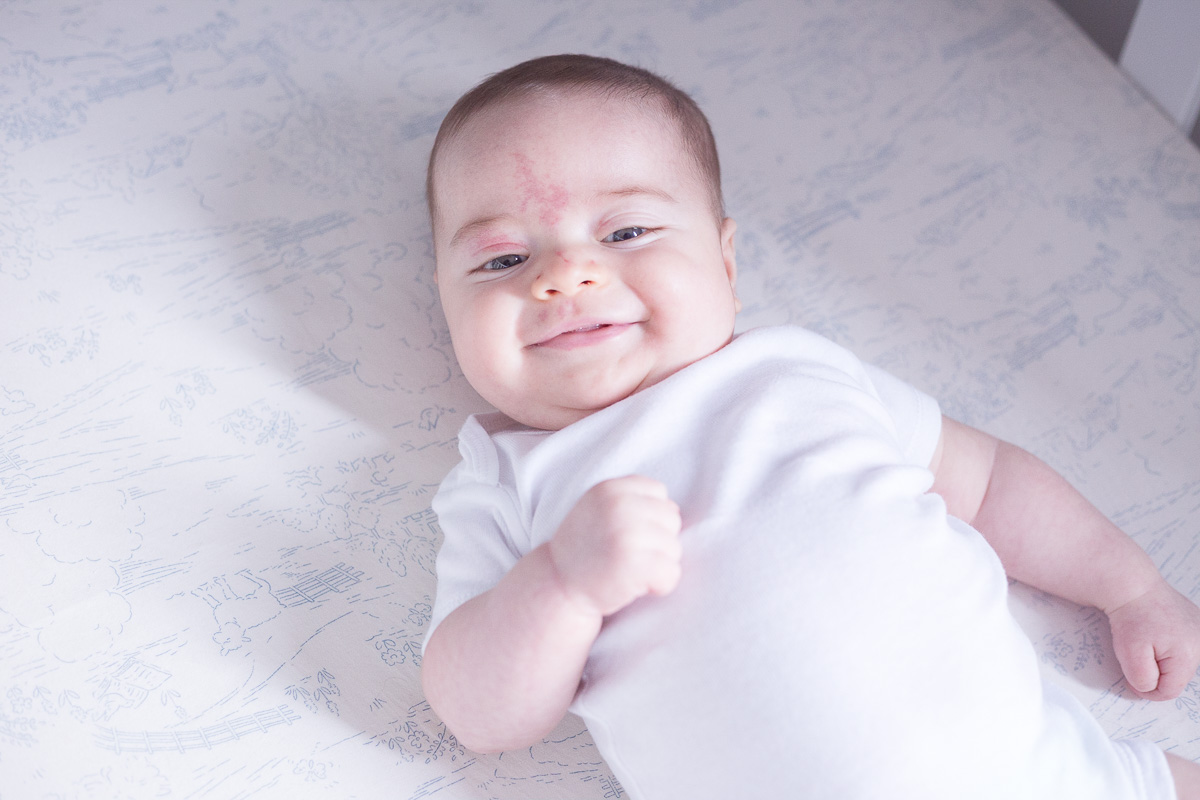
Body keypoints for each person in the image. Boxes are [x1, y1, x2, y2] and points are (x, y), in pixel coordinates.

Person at [419, 53, 1200, 799]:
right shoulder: (511, 478)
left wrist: (1129, 585)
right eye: (502, 260)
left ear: (726, 264)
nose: (565, 275)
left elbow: (991, 483)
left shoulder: (797, 371)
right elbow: (477, 713)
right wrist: (560, 582)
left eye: (625, 232)